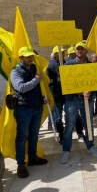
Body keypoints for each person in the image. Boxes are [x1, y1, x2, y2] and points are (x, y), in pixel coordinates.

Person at [11, 47, 49, 178]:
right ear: (21, 58)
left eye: (31, 56)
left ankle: (32, 158)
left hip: (37, 107)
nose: (30, 58)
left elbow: (38, 88)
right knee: (21, 137)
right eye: (27, 57)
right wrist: (36, 79)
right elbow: (21, 88)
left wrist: (44, 98)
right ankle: (21, 164)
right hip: (24, 109)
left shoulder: (34, 68)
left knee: (34, 134)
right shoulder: (15, 72)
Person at [60, 42, 97, 164]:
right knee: (69, 126)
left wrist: (90, 92)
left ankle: (90, 146)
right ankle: (66, 151)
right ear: (75, 51)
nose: (80, 51)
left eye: (82, 49)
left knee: (89, 124)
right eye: (78, 49)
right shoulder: (68, 65)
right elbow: (62, 82)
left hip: (87, 99)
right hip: (72, 100)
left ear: (86, 51)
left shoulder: (92, 65)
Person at [46, 46, 66, 144]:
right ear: (55, 54)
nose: (62, 54)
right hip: (57, 93)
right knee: (58, 116)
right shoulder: (52, 64)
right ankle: (61, 135)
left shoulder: (64, 62)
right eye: (60, 53)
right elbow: (48, 79)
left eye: (63, 52)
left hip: (65, 92)